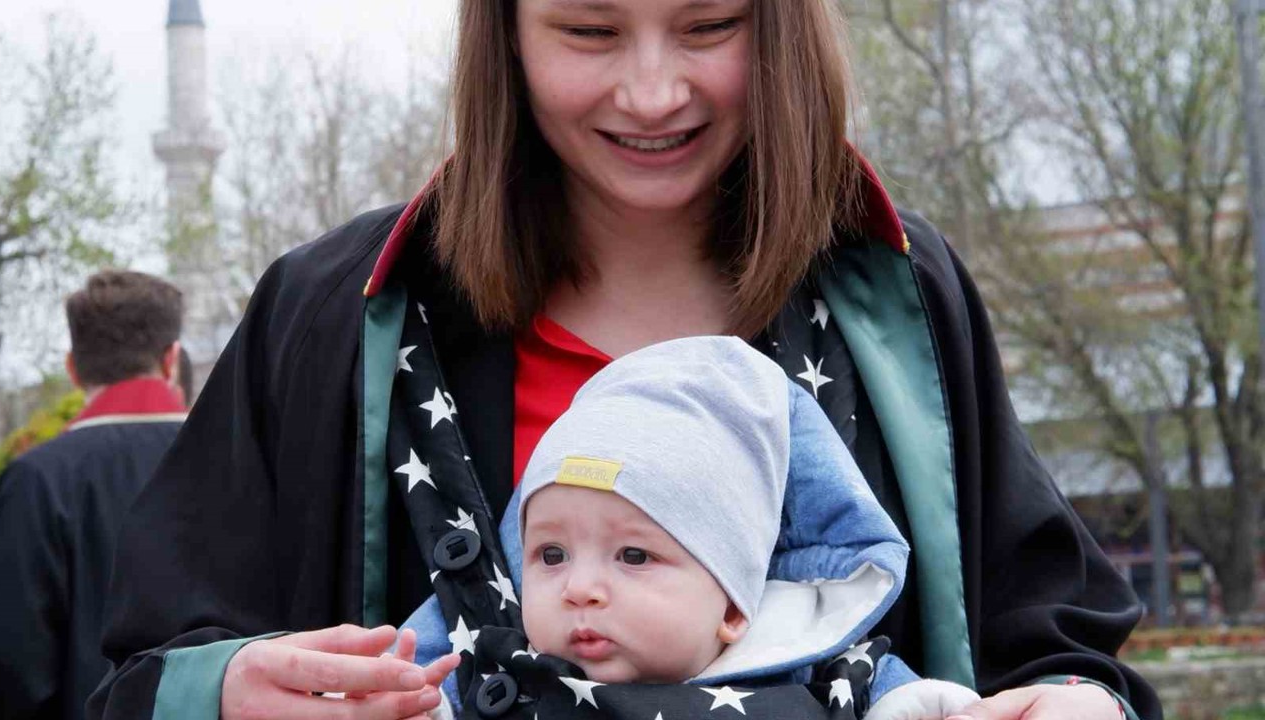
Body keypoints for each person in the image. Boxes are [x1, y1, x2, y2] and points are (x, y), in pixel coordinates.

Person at [89, 1, 1161, 719]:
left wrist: (1075, 700)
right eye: (590, 31)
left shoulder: (899, 292)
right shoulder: (333, 311)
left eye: (708, 25)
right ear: (503, 34)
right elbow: (135, 673)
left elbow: (1052, 640)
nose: (651, 94)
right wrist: (224, 690)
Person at [400, 336, 982, 720]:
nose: (578, 588)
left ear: (732, 607)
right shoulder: (504, 668)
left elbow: (905, 702)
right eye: (551, 555)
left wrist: (916, 703)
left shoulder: (811, 658)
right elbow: (412, 696)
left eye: (632, 555)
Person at [0, 270, 188, 720]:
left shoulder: (36, 479)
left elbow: (11, 665)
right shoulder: (234, 455)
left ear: (72, 368)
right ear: (171, 359)